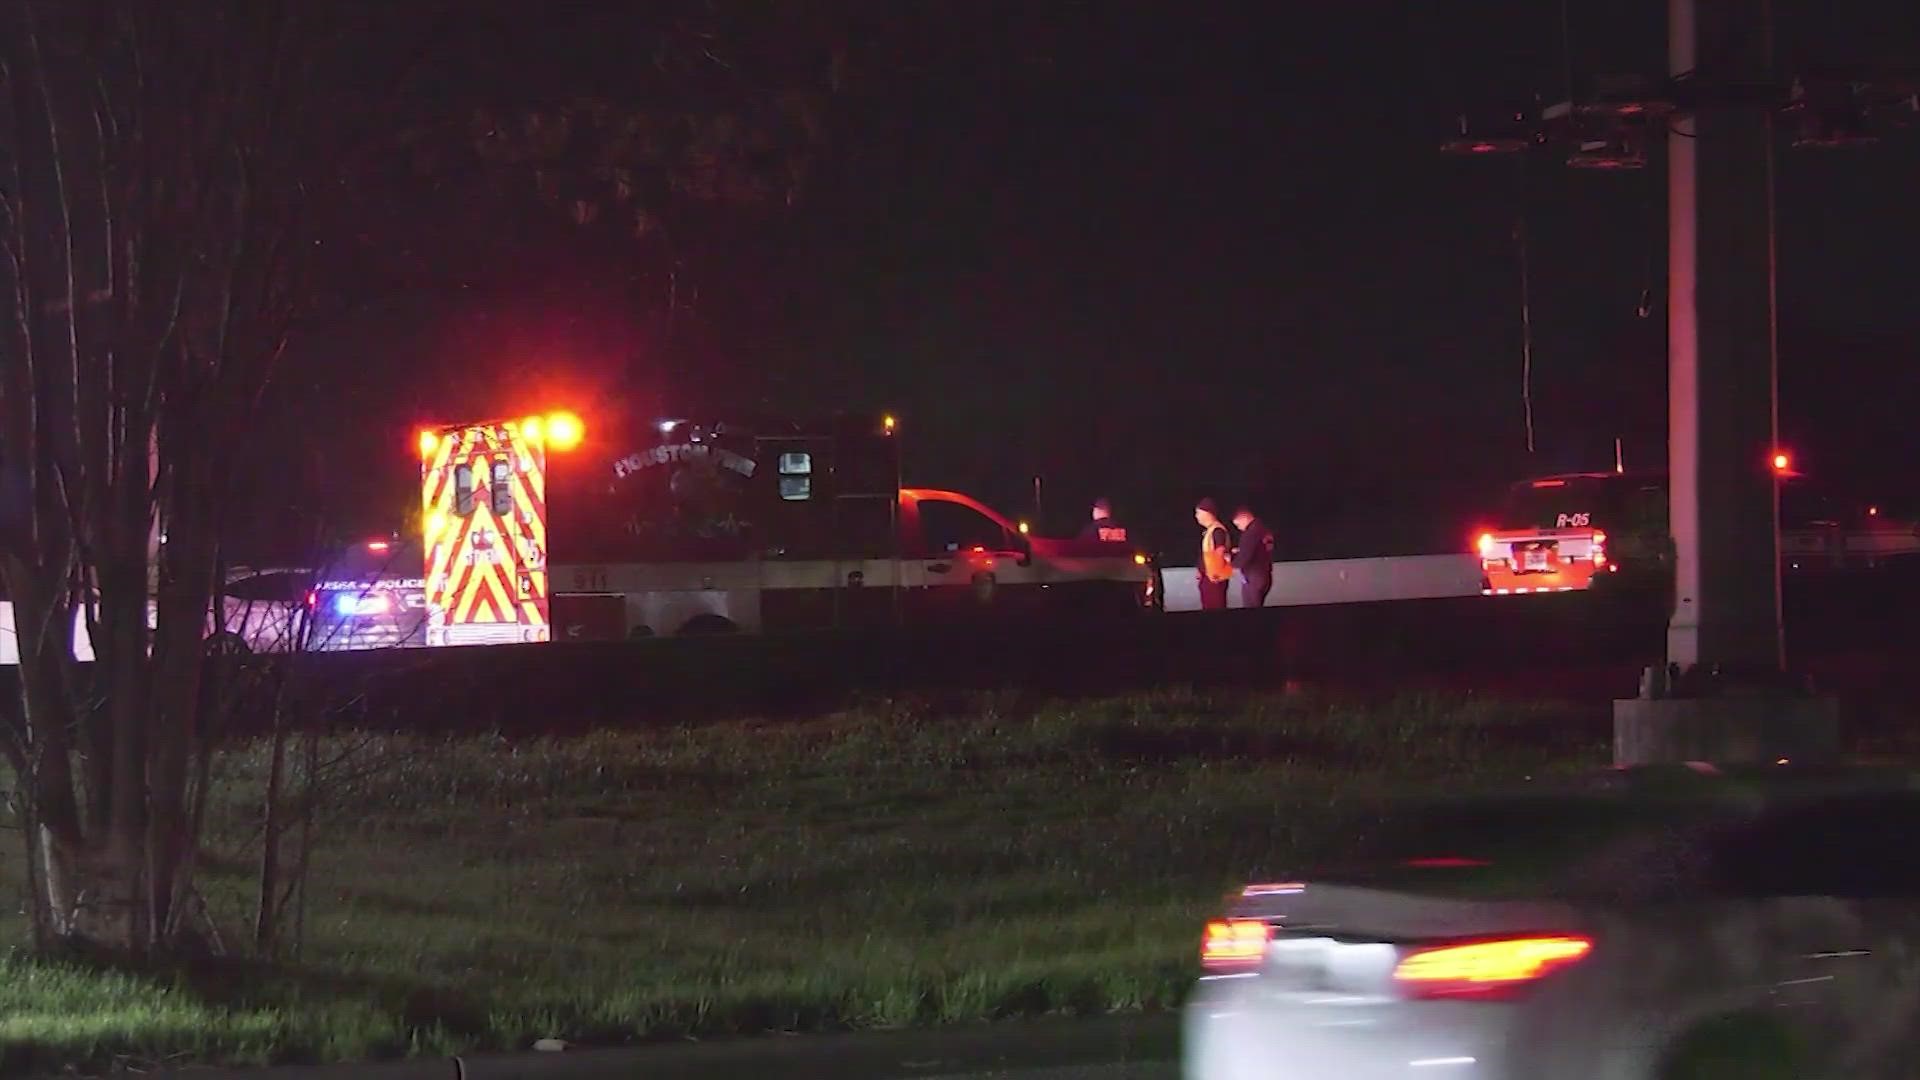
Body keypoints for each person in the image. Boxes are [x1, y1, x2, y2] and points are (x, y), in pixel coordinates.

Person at [1231, 505, 1275, 609]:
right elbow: (1260, 549)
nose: (1239, 528)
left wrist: (1231, 561)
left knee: (1250, 609)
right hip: (1265, 575)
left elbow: (1243, 559)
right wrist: (1241, 549)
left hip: (1253, 578)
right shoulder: (1264, 529)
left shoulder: (1250, 533)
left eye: (1238, 524)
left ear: (1244, 518)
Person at [1194, 498, 1233, 610]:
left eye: (1198, 513)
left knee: (1215, 606)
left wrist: (1215, 573)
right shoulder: (1210, 530)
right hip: (1208, 577)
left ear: (1207, 513)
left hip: (1214, 578)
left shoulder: (1217, 530)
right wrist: (1200, 570)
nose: (1196, 516)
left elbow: (1220, 551)